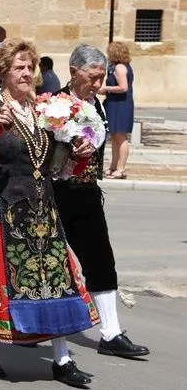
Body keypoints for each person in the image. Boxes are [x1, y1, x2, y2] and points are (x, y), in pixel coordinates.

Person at [0, 38, 99, 389]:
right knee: (1, 286)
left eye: (29, 67)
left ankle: (62, 360)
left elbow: (56, 170)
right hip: (4, 209)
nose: (26, 73)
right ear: (2, 73)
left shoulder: (46, 111)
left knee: (56, 282)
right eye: (18, 68)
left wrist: (78, 152)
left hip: (43, 210)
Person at [54, 44, 149, 359]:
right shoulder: (54, 105)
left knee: (100, 260)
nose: (97, 84)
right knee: (46, 266)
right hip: (56, 194)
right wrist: (66, 149)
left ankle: (111, 333)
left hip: (86, 193)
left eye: (100, 77)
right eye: (92, 77)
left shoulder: (95, 104)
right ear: (73, 72)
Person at [101, 41, 134, 179]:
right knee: (115, 136)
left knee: (121, 136)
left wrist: (106, 89)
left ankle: (121, 168)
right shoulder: (121, 66)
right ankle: (113, 166)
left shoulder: (120, 67)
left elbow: (123, 87)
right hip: (115, 103)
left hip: (120, 105)